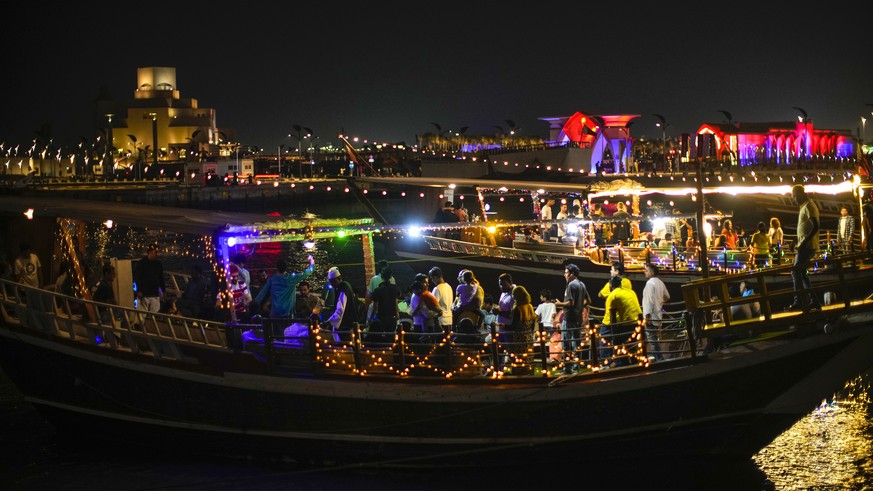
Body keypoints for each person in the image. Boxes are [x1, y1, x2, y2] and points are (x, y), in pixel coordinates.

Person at [788, 184, 821, 312]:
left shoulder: (809, 206)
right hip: (805, 245)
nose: (793, 199)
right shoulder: (805, 206)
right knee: (801, 273)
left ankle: (799, 302)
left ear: (801, 194)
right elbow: (805, 228)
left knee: (795, 271)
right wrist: (795, 241)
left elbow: (815, 226)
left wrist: (803, 243)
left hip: (807, 247)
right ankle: (814, 301)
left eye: (794, 196)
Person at [553, 263, 590, 374]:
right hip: (578, 318)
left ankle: (567, 369)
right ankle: (576, 367)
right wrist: (579, 306)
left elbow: (570, 302)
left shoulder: (571, 285)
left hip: (569, 318)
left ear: (572, 274)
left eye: (566, 272)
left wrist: (559, 304)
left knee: (566, 344)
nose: (564, 275)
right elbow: (588, 301)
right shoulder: (582, 284)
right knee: (576, 343)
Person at [601, 274, 642, 367]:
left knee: (614, 341)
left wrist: (614, 334)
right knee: (631, 344)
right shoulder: (631, 292)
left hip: (626, 324)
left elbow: (612, 317)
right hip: (637, 323)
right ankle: (634, 361)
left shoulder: (613, 295)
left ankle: (613, 363)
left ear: (611, 285)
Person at [324, 266, 361, 343]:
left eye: (333, 281)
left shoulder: (343, 288)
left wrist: (330, 321)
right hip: (350, 323)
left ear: (339, 278)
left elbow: (340, 308)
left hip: (346, 325)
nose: (331, 284)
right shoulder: (345, 286)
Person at [503, 285, 536, 372]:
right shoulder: (530, 307)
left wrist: (503, 326)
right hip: (528, 337)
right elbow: (532, 324)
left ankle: (519, 372)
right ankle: (529, 371)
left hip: (519, 338)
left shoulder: (517, 309)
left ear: (518, 296)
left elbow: (513, 326)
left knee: (519, 357)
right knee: (528, 356)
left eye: (514, 295)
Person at [642, 263, 669, 361]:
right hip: (658, 314)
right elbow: (667, 297)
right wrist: (660, 302)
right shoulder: (660, 282)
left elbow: (649, 301)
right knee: (654, 339)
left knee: (652, 340)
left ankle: (659, 359)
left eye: (646, 270)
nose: (645, 272)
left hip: (651, 316)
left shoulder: (649, 284)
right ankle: (658, 358)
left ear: (651, 272)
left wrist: (647, 316)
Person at [369, 267, 401, 343]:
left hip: (381, 318)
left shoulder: (378, 290)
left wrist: (370, 319)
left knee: (380, 339)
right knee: (391, 339)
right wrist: (397, 314)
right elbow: (395, 302)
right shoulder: (395, 288)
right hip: (392, 318)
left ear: (382, 277)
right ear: (390, 277)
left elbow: (375, 307)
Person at [134, 244, 165, 313]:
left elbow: (161, 278)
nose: (157, 254)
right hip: (144, 293)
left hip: (155, 293)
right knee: (142, 313)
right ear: (150, 252)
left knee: (155, 312)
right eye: (155, 252)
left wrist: (163, 290)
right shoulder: (141, 263)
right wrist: (139, 290)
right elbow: (137, 278)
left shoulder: (158, 264)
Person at [535, 289, 561, 364]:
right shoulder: (552, 305)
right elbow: (553, 315)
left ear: (544, 298)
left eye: (541, 296)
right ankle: (552, 357)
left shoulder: (540, 306)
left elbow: (536, 315)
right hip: (550, 325)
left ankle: (543, 357)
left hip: (542, 326)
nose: (540, 297)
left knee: (541, 342)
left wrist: (538, 319)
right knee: (552, 342)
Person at [428, 266, 454, 332]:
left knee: (439, 341)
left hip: (440, 321)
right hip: (449, 320)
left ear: (435, 277)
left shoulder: (437, 289)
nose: (432, 281)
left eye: (432, 278)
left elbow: (433, 305)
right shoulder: (449, 287)